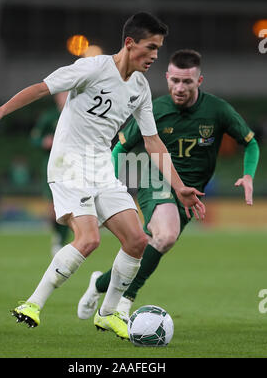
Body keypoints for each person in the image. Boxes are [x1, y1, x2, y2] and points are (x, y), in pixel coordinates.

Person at [0, 14, 205, 340]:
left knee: (138, 240)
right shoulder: (93, 68)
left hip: (100, 168)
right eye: (151, 47)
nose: (155, 55)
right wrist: (1, 111)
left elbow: (153, 142)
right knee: (89, 239)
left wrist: (179, 187)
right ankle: (32, 304)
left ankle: (108, 314)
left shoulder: (139, 87)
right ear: (130, 43)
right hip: (69, 164)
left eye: (159, 48)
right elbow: (43, 88)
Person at [77, 49, 260, 322]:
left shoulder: (218, 110)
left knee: (156, 243)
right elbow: (119, 148)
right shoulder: (154, 108)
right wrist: (109, 182)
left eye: (187, 81)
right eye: (175, 80)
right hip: (155, 180)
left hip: (191, 192)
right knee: (165, 236)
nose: (180, 87)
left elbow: (251, 143)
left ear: (199, 81)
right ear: (167, 78)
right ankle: (125, 301)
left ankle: (99, 284)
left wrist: (248, 175)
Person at [31, 92, 71, 257]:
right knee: (53, 210)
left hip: (73, 168)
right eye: (63, 94)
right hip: (52, 168)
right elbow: (34, 138)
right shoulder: (49, 117)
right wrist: (44, 142)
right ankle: (58, 236)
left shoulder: (78, 115)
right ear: (57, 97)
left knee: (68, 207)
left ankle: (62, 242)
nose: (66, 96)